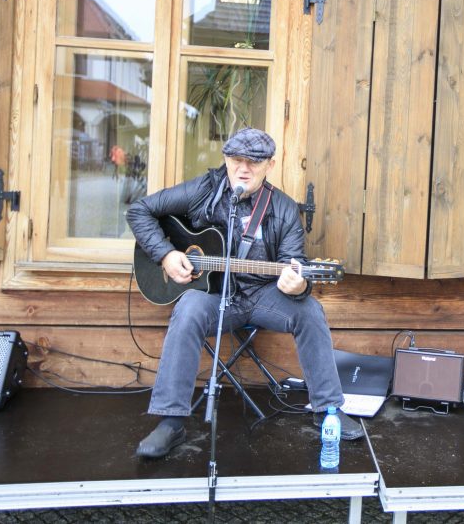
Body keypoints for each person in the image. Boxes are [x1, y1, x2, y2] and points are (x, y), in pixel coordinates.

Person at [127, 127, 363, 459]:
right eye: (236, 160)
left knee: (309, 310)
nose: (243, 168)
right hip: (214, 296)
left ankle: (327, 409)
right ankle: (171, 421)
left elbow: (294, 265)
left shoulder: (282, 209)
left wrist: (299, 285)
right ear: (225, 160)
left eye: (254, 162)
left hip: (262, 297)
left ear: (271, 164)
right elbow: (139, 211)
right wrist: (167, 255)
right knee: (190, 305)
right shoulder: (204, 189)